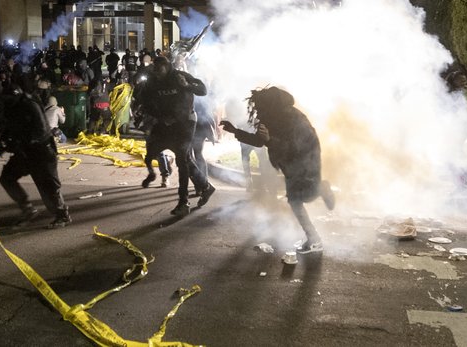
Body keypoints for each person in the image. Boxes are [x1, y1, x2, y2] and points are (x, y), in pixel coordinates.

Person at [220, 86, 336, 254]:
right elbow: (260, 141)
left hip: (306, 161)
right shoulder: (271, 117)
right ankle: (320, 193)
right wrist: (235, 131)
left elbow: (294, 148)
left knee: (296, 200)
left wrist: (270, 139)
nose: (257, 113)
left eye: (260, 108)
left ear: (271, 106)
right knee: (300, 198)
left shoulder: (295, 120)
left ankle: (314, 240)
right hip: (290, 163)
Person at [137, 55, 215, 216]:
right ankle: (205, 187)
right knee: (153, 148)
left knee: (182, 157)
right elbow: (143, 100)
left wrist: (187, 86)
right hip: (164, 122)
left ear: (167, 67)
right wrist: (156, 115)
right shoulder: (153, 80)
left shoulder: (180, 76)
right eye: (155, 70)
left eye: (160, 70)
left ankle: (183, 201)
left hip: (185, 122)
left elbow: (203, 90)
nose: (157, 73)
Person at [0, 87, 71, 228]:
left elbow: (41, 130)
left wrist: (21, 142)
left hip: (42, 151)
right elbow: (9, 127)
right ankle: (27, 209)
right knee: (6, 177)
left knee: (48, 185)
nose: (5, 103)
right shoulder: (11, 108)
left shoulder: (30, 105)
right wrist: (2, 142)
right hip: (25, 152)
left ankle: (62, 215)